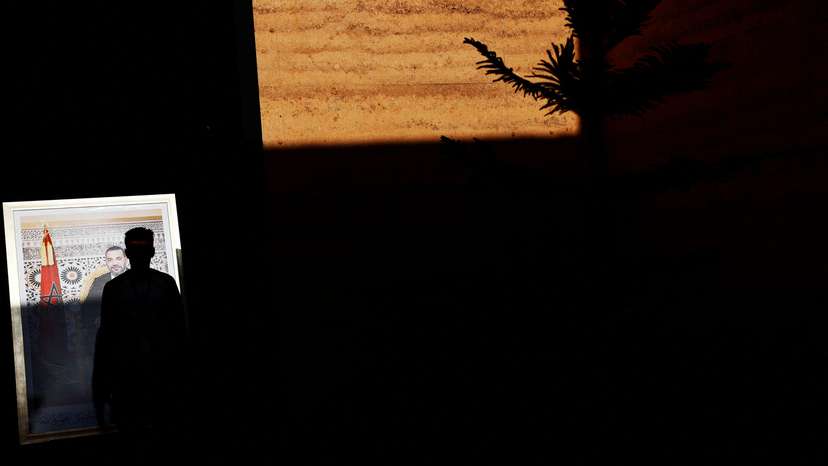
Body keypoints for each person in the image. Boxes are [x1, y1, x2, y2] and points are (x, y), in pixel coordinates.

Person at [93, 227, 187, 463]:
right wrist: (102, 389)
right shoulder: (115, 288)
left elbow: (179, 333)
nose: (139, 254)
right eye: (136, 249)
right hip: (131, 381)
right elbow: (106, 339)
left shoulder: (163, 284)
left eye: (141, 249)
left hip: (161, 378)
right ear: (128, 253)